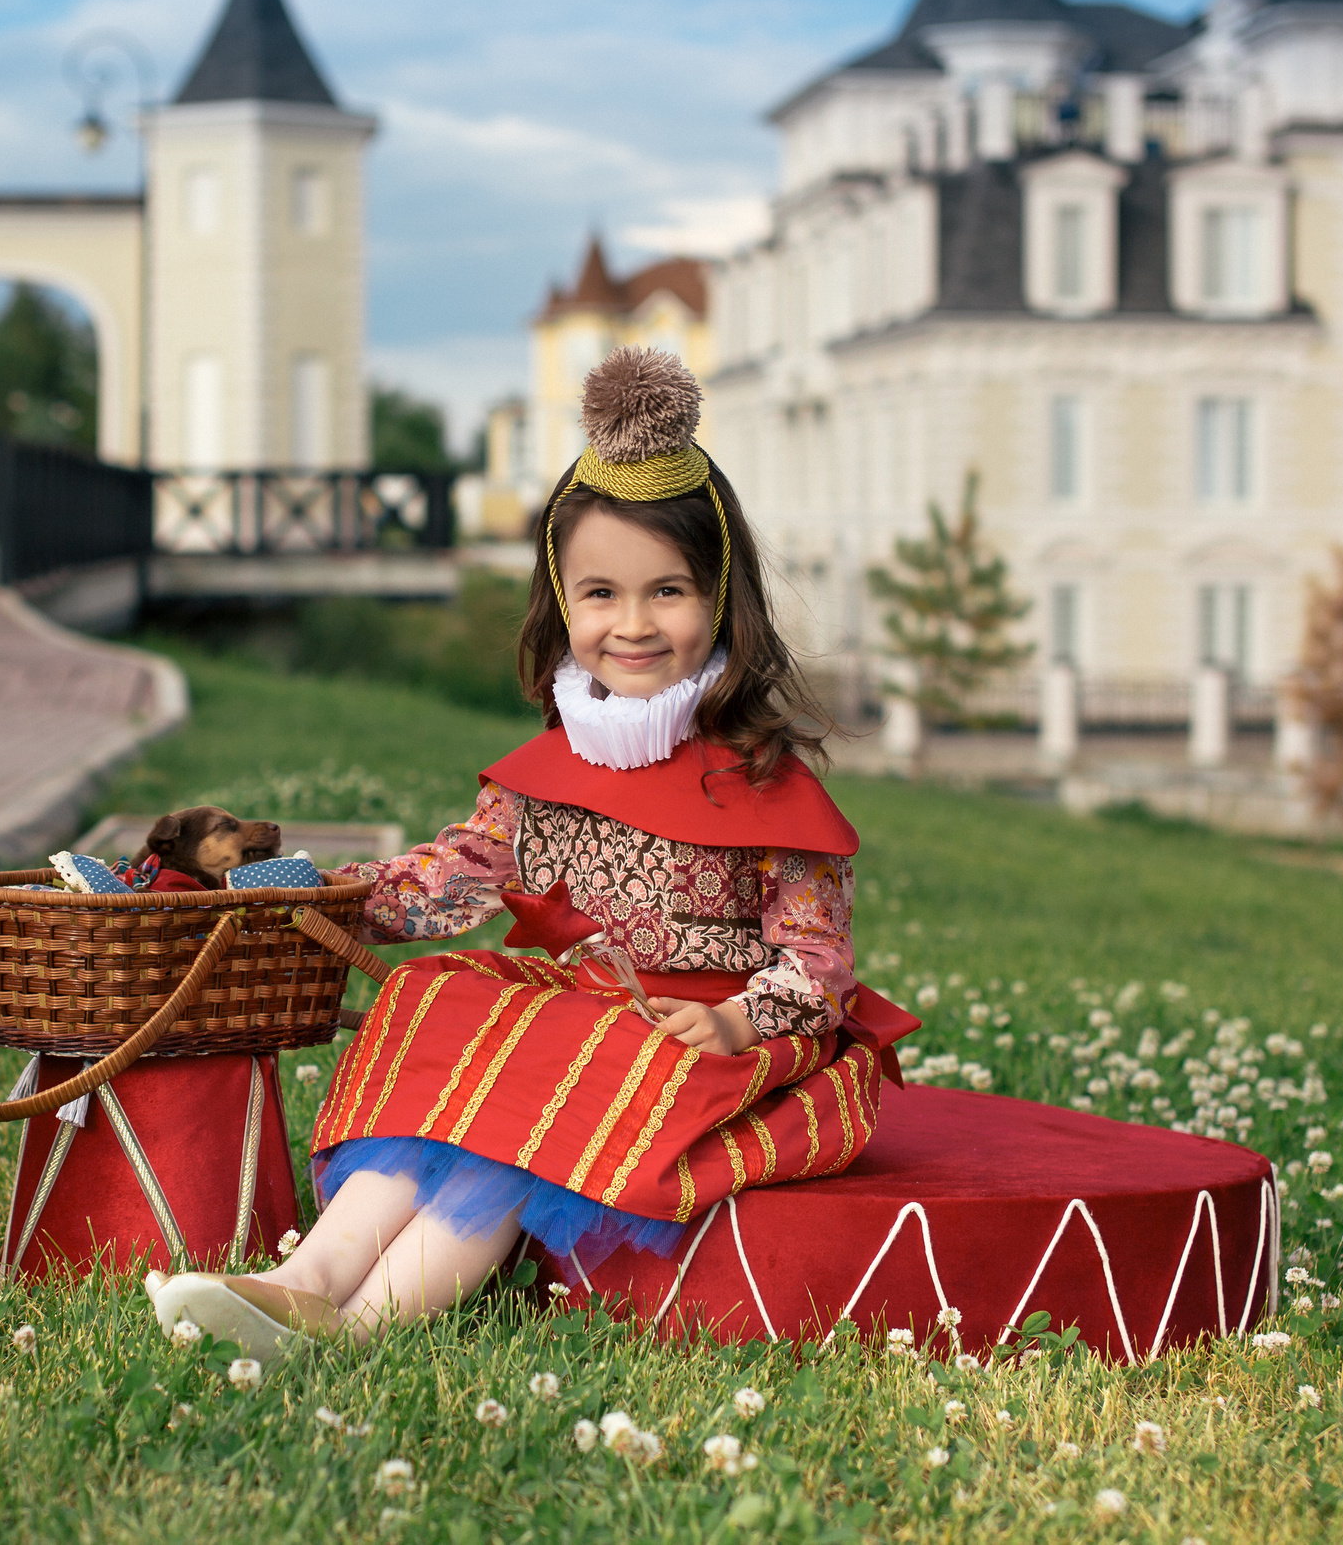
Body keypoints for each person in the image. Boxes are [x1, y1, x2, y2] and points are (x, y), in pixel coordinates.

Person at [148, 348, 916, 1360]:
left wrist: (735, 1018)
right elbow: (446, 879)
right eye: (600, 593)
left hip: (716, 1042)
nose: (633, 625)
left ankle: (363, 1324)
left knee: (548, 1091)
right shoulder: (543, 775)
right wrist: (321, 892)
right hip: (588, 1011)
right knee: (446, 1005)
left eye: (669, 592)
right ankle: (305, 1280)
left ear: (721, 597)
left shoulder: (766, 782)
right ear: (561, 600)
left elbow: (817, 965)